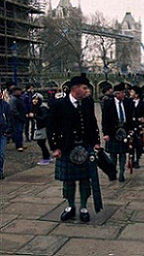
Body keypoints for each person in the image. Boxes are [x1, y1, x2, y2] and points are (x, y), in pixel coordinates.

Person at [47, 75, 101, 222]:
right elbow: (51, 127)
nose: (87, 90)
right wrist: (55, 148)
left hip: (85, 146)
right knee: (68, 181)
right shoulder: (58, 105)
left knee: (85, 179)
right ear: (75, 89)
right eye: (84, 88)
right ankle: (70, 206)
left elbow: (93, 123)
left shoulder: (88, 103)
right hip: (66, 147)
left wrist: (96, 142)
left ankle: (83, 207)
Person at [102, 82, 133, 182]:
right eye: (122, 92)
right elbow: (105, 120)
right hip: (112, 131)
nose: (124, 94)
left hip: (124, 130)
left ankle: (121, 173)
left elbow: (130, 118)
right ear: (117, 93)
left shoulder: (128, 102)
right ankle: (113, 171)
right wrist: (105, 133)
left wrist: (131, 129)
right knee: (113, 154)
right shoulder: (108, 103)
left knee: (123, 153)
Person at [129, 85, 144, 169]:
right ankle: (131, 160)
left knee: (138, 144)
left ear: (137, 94)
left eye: (132, 92)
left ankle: (137, 160)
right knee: (131, 145)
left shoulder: (143, 104)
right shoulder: (128, 102)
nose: (130, 93)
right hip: (130, 126)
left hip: (139, 127)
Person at [30, 93, 51, 165]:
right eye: (33, 99)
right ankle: (47, 156)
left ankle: (46, 157)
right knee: (41, 143)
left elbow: (44, 118)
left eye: (36, 99)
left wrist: (35, 116)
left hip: (42, 127)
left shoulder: (42, 107)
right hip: (38, 127)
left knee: (41, 143)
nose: (34, 101)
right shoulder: (35, 107)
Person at [9, 86, 27, 152]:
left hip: (20, 118)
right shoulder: (13, 99)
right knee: (18, 132)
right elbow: (13, 110)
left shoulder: (18, 98)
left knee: (20, 131)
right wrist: (20, 116)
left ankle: (20, 144)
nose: (20, 92)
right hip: (17, 119)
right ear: (15, 91)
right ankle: (18, 145)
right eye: (19, 91)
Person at [0, 88, 12, 179]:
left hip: (2, 133)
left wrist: (8, 129)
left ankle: (0, 171)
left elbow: (10, 118)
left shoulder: (5, 105)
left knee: (1, 154)